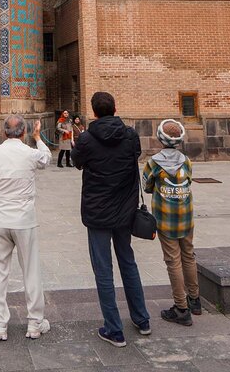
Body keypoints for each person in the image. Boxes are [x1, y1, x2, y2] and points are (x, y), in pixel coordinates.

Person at [71, 91, 151, 347]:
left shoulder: (86, 139)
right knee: (128, 263)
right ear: (115, 108)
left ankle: (114, 329)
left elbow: (77, 163)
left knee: (103, 270)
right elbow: (134, 155)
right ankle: (142, 319)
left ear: (94, 112)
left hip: (98, 213)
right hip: (125, 212)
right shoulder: (130, 135)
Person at [0, 114, 52, 341]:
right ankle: (35, 323)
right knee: (31, 270)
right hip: (24, 221)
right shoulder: (30, 153)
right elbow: (46, 159)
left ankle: (0, 324)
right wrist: (38, 138)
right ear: (24, 133)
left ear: (3, 132)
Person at [143, 119, 200, 326]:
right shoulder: (186, 161)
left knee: (173, 261)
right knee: (189, 256)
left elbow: (147, 186)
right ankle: (195, 300)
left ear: (160, 138)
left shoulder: (154, 162)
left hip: (166, 218)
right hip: (186, 217)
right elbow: (189, 181)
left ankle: (181, 308)